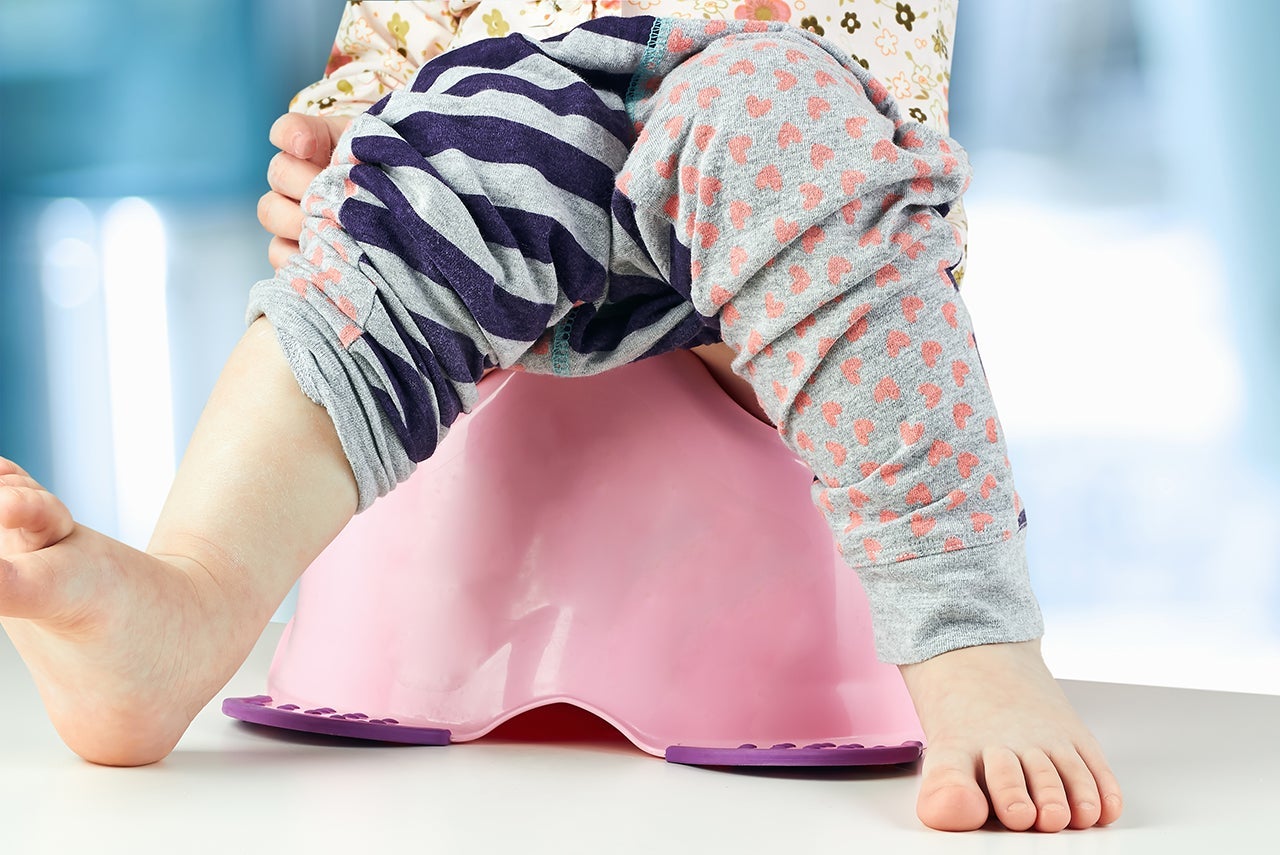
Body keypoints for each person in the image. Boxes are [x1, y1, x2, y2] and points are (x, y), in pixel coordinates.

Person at [0, 12, 1122, 837]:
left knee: (775, 113)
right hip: (509, 185)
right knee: (424, 174)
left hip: (767, 199)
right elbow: (381, 68)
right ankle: (192, 599)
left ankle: (965, 634)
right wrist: (332, 151)